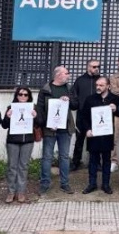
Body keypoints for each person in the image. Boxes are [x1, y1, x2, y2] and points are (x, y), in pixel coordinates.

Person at [35, 66, 79, 194]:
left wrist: (69, 100)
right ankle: (44, 183)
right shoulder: (45, 90)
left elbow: (76, 105)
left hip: (65, 128)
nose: (68, 75)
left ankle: (65, 183)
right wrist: (46, 124)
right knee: (47, 157)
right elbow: (40, 110)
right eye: (66, 73)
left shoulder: (69, 89)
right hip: (50, 129)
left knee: (64, 157)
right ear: (58, 75)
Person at [78, 77, 119, 194]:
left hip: (107, 135)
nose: (98, 87)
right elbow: (83, 117)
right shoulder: (90, 99)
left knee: (107, 160)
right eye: (97, 85)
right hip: (93, 135)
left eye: (101, 85)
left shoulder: (114, 98)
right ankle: (92, 184)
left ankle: (106, 184)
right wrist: (87, 130)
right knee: (93, 161)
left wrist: (115, 108)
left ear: (108, 86)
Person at [1, 86, 36, 204]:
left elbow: (40, 122)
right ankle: (11, 192)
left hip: (28, 141)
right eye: (20, 94)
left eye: (25, 95)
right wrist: (7, 116)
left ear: (29, 96)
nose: (23, 97)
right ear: (16, 96)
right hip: (13, 141)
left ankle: (21, 192)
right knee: (12, 167)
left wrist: (35, 116)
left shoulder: (32, 107)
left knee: (23, 166)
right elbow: (4, 125)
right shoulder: (11, 107)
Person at [70, 59, 101, 171]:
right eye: (93, 66)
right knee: (79, 139)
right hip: (82, 115)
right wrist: (76, 105)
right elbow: (73, 95)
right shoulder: (80, 80)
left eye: (98, 66)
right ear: (88, 67)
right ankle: (75, 162)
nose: (96, 68)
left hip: (97, 115)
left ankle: (96, 163)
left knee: (96, 140)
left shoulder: (101, 81)